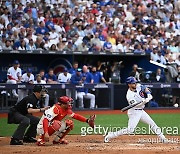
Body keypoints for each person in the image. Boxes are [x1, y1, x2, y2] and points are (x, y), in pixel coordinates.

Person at [104, 76, 168, 143]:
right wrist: (145, 101)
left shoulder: (138, 86)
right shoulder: (129, 95)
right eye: (133, 83)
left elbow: (145, 88)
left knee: (152, 123)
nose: (135, 84)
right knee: (130, 130)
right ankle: (110, 135)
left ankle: (162, 138)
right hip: (134, 112)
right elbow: (136, 105)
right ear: (129, 84)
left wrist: (148, 94)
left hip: (141, 111)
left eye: (135, 83)